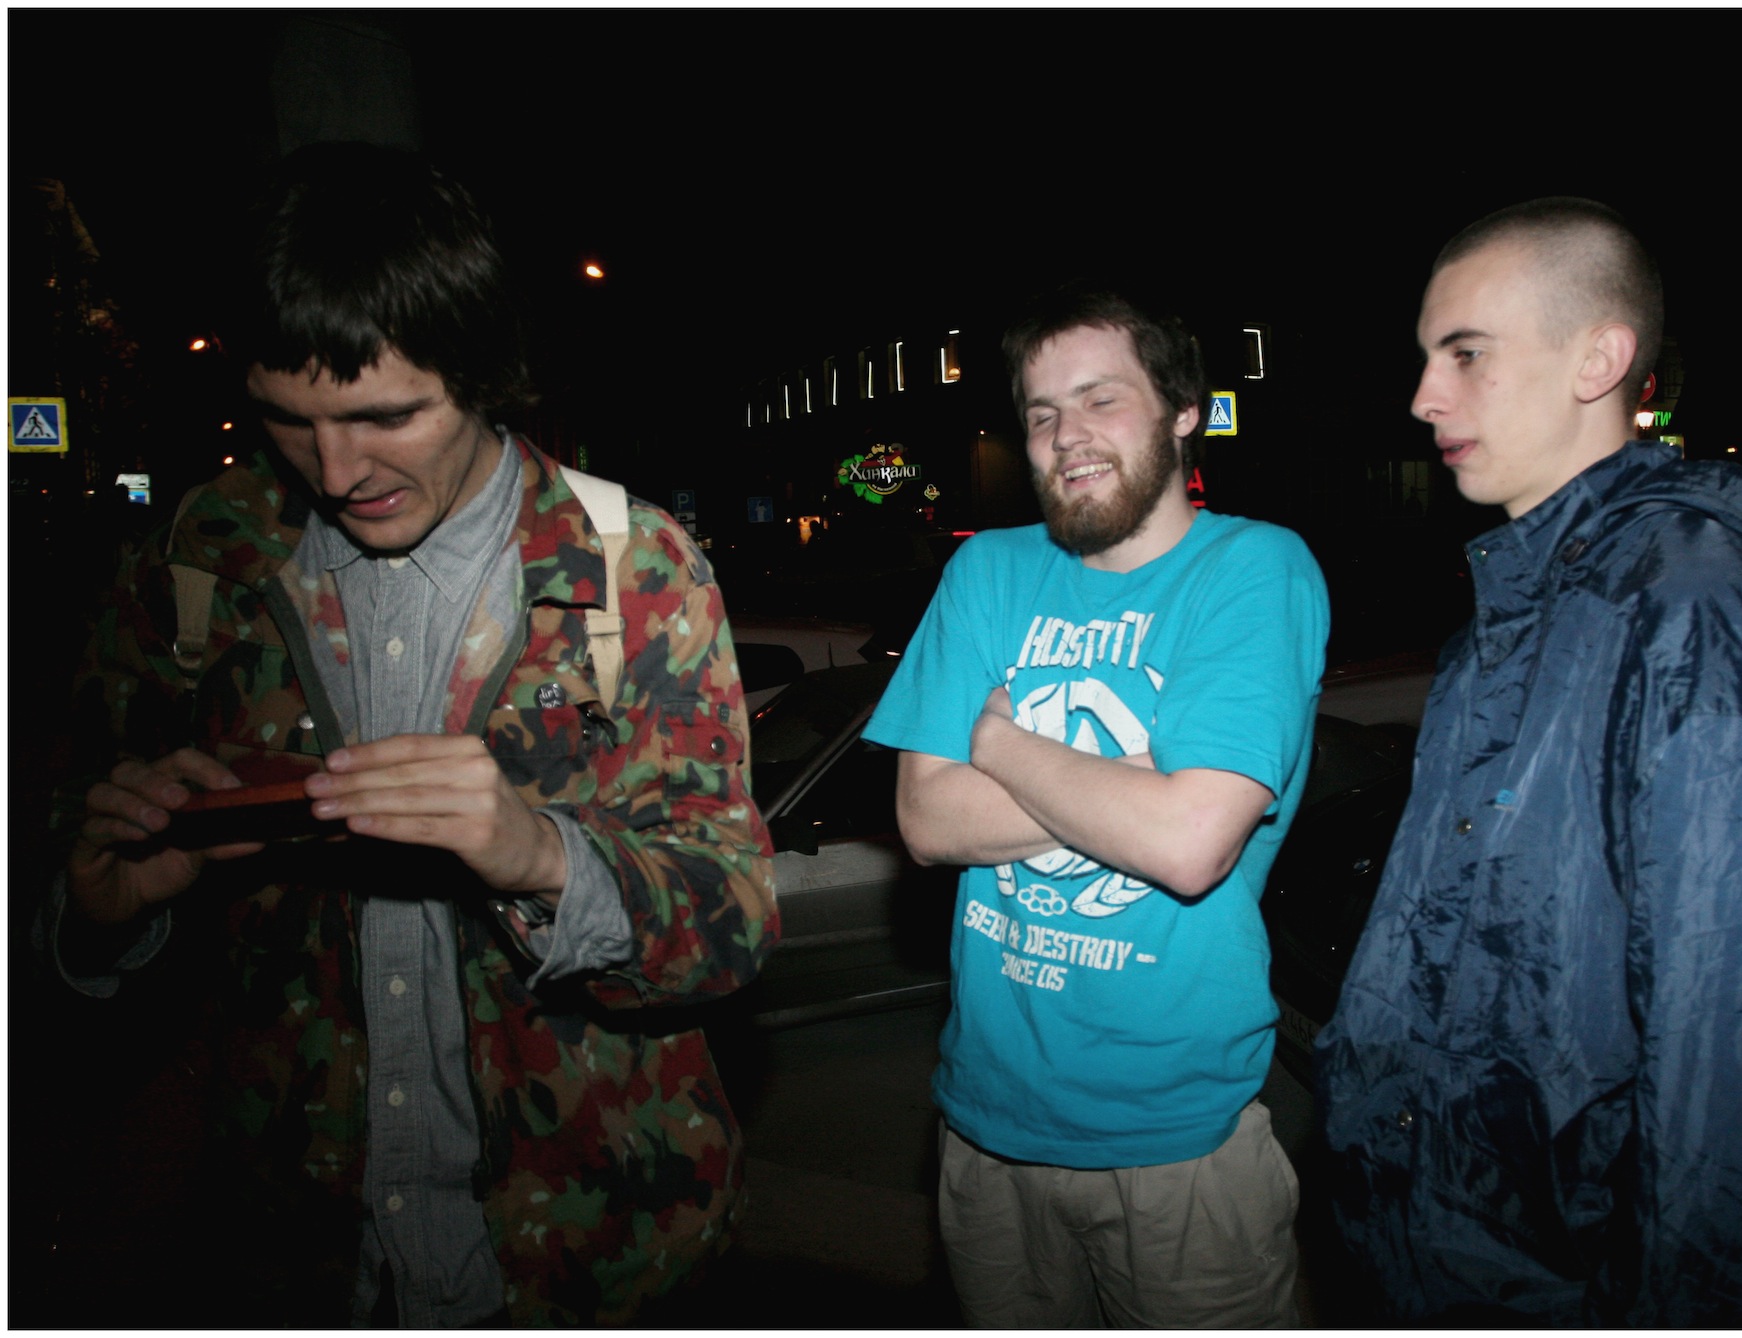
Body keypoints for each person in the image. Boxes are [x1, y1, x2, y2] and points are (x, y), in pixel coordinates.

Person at [42, 143, 778, 1327]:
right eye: (288, 421)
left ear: (483, 374)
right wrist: (104, 918)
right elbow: (65, 871)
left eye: (387, 416)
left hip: (593, 1253)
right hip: (292, 1255)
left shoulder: (632, 567)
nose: (338, 471)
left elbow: (732, 926)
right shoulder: (200, 559)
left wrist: (541, 858)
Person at [1314, 197, 1742, 1326]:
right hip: (1441, 1256)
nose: (1423, 397)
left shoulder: (1714, 623)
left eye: (1465, 354)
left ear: (1599, 360)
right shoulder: (1514, 614)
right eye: (1425, 357)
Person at [862, 287, 1330, 1327]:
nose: (1065, 435)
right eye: (1041, 413)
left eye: (1100, 399)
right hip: (984, 1126)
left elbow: (1190, 841)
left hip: (1178, 1144)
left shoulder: (1253, 568)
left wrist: (1001, 747)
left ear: (1182, 411)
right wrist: (1141, 781)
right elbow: (928, 821)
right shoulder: (986, 569)